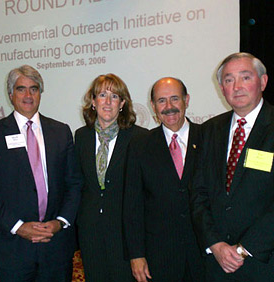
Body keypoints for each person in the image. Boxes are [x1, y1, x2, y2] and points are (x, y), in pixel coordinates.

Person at [0, 64, 82, 282]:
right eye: (21, 89)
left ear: (40, 93)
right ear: (10, 94)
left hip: (55, 244)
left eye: (34, 89)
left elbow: (74, 183)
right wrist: (18, 227)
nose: (28, 95)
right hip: (13, 246)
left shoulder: (61, 132)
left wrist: (59, 222)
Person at [190, 52, 274, 281]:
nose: (237, 86)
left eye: (245, 77)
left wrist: (243, 249)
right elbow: (198, 194)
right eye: (228, 80)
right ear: (221, 87)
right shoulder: (209, 130)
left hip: (264, 261)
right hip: (217, 263)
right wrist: (215, 245)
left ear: (263, 82)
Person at [124, 77, 205, 282]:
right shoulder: (140, 145)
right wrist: (136, 254)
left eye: (174, 99)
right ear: (153, 106)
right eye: (161, 101)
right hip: (158, 258)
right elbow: (132, 206)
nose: (169, 107)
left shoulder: (208, 138)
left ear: (187, 100)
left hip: (204, 255)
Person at [74, 73, 148, 281]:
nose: (108, 102)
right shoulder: (81, 136)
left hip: (125, 235)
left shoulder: (140, 138)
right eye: (102, 95)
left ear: (122, 103)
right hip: (90, 231)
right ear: (93, 101)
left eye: (114, 97)